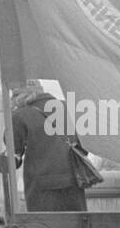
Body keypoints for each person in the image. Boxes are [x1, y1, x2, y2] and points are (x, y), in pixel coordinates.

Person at [11, 83, 88, 212]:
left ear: (18, 95)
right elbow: (84, 147)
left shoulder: (20, 115)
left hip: (41, 187)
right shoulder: (68, 107)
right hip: (73, 181)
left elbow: (14, 154)